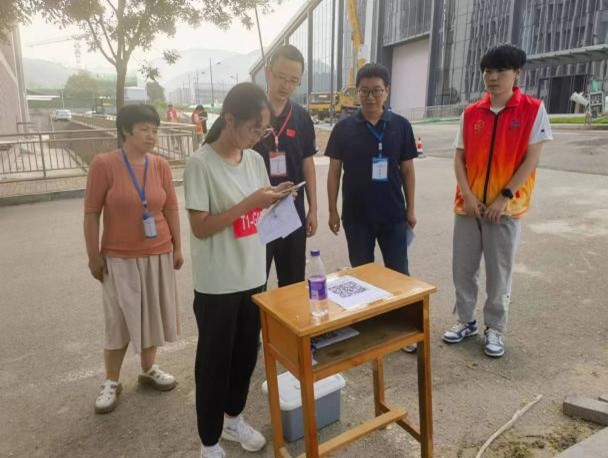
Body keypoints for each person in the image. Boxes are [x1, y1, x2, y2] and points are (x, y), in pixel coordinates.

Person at [184, 83, 293, 458]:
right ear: (229, 119)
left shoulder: (255, 161)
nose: (258, 136)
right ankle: (209, 442)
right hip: (217, 284)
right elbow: (201, 227)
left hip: (252, 276)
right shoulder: (201, 164)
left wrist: (276, 199)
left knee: (246, 357)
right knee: (214, 364)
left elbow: (257, 214)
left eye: (264, 130)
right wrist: (251, 201)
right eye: (254, 128)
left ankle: (233, 419)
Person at [441, 44, 553, 358]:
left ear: (517, 73)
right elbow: (459, 158)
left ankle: (495, 328)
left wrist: (504, 198)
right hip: (469, 207)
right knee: (463, 269)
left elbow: (531, 160)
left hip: (505, 210)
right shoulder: (471, 113)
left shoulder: (533, 109)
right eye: (487, 71)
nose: (492, 77)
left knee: (498, 272)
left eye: (500, 71)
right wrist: (468, 196)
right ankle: (466, 321)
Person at [84, 104, 183, 414]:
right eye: (144, 129)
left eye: (155, 130)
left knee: (152, 314)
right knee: (118, 321)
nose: (151, 135)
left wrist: (178, 247)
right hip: (119, 256)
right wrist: (93, 256)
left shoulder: (161, 166)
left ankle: (148, 368)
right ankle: (111, 380)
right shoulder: (104, 164)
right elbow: (91, 213)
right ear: (126, 131)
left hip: (158, 252)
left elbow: (170, 208)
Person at [326, 63, 417, 275]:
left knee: (399, 275)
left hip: (393, 215)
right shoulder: (343, 129)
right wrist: (332, 211)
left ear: (387, 90)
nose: (370, 97)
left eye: (376, 91)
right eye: (364, 91)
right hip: (356, 217)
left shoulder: (401, 126)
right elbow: (334, 173)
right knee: (362, 278)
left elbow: (408, 171)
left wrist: (410, 209)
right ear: (357, 92)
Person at [253, 44, 318, 287]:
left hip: (292, 210)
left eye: (293, 80)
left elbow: (308, 164)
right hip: (256, 211)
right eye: (281, 77)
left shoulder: (301, 117)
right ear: (268, 72)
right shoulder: (251, 113)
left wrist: (313, 209)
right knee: (255, 281)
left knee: (293, 282)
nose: (286, 86)